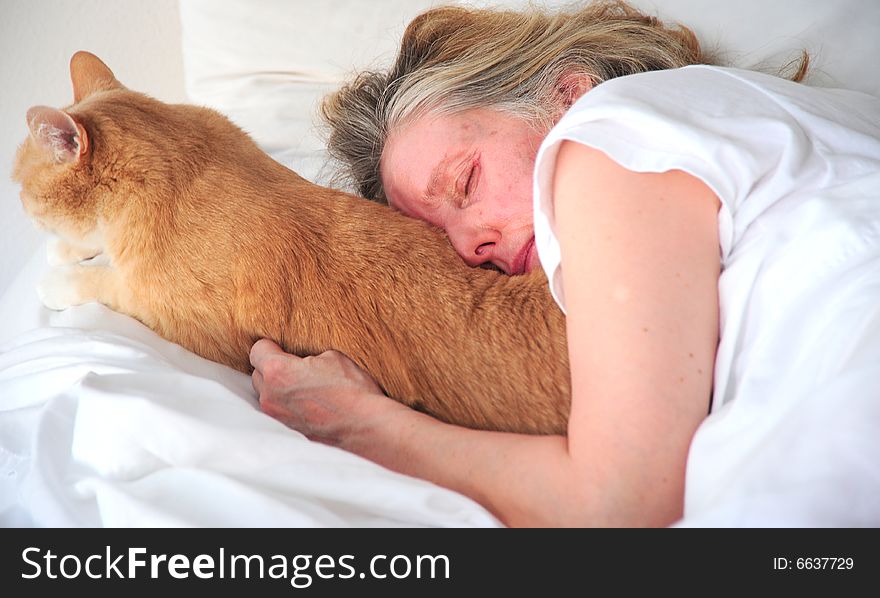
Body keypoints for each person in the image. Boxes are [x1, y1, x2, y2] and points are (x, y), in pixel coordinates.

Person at [250, 1, 880, 527]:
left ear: (566, 91)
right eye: (442, 237)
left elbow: (618, 506)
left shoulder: (608, 134)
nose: (469, 247)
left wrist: (360, 425)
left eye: (465, 182)